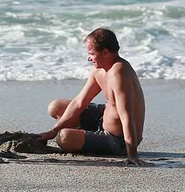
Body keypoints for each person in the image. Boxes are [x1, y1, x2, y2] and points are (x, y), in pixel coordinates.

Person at [38, 28, 146, 165]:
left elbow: (127, 115)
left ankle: (84, 137)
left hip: (119, 139)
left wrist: (132, 154)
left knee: (63, 137)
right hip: (102, 118)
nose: (88, 58)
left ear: (105, 52)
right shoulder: (98, 70)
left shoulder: (119, 72)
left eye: (91, 54)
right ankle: (86, 136)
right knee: (56, 107)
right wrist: (52, 131)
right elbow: (79, 103)